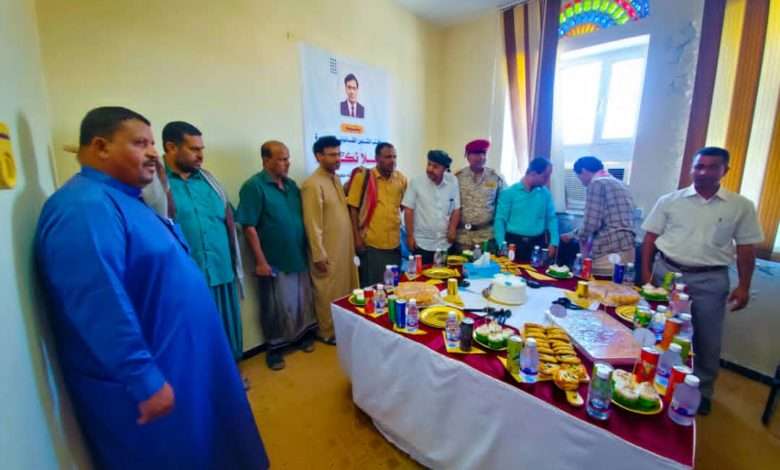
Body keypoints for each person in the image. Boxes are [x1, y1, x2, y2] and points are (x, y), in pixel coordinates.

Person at [35, 107, 268, 468]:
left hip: (185, 362)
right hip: (156, 378)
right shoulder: (84, 207)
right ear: (101, 146)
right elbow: (99, 303)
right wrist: (143, 379)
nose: (153, 153)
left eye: (152, 143)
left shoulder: (127, 199)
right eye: (140, 143)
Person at [641, 146, 763, 416]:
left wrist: (744, 285)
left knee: (707, 337)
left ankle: (702, 391)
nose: (704, 172)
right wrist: (646, 274)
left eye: (712, 167)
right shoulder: (670, 201)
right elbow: (650, 238)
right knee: (657, 328)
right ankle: (651, 378)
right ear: (691, 169)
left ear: (724, 170)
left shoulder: (740, 206)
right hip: (667, 273)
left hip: (710, 279)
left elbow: (746, 248)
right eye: (699, 166)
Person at [162, 121, 244, 361]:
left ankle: (232, 374)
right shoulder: (155, 186)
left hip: (221, 271)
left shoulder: (210, 182)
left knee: (227, 332)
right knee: (195, 337)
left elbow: (229, 219)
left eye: (202, 149)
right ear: (171, 147)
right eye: (194, 149)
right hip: (186, 278)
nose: (200, 155)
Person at [237, 140, 318, 370]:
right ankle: (274, 350)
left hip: (297, 255)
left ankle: (300, 336)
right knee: (274, 307)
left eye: (288, 158)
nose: (287, 163)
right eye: (282, 159)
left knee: (300, 301)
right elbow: (249, 227)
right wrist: (260, 261)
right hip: (273, 259)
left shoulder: (291, 186)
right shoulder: (254, 186)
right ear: (266, 160)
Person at [301, 136, 358, 344]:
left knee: (343, 290)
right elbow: (312, 223)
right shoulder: (312, 184)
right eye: (332, 155)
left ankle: (341, 328)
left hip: (343, 249)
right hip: (327, 251)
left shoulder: (335, 179)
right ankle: (327, 332)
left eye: (339, 154)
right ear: (318, 156)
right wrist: (318, 254)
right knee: (327, 291)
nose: (338, 158)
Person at [346, 142, 407, 286]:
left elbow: (403, 206)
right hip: (372, 245)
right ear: (377, 158)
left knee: (393, 286)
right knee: (373, 287)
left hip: (394, 245)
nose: (392, 161)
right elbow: (353, 209)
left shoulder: (401, 179)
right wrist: (357, 238)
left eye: (394, 157)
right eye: (388, 157)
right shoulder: (364, 178)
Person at [566, 156, 636, 276]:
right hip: (627, 249)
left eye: (579, 177)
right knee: (619, 287)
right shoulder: (620, 184)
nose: (581, 182)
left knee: (598, 286)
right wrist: (573, 234)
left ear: (583, 171)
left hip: (608, 250)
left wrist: (578, 237)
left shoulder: (597, 183)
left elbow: (591, 224)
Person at [494, 157, 559, 262]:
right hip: (513, 243)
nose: (547, 180)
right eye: (545, 176)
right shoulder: (509, 193)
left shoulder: (545, 193)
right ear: (533, 173)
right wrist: (501, 244)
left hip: (537, 244)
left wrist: (554, 242)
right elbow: (500, 220)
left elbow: (552, 218)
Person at [402, 150, 461, 264]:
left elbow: (456, 208)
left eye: (435, 166)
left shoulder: (453, 181)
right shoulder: (416, 182)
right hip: (422, 244)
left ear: (445, 169)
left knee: (445, 273)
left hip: (445, 243)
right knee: (422, 275)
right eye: (429, 164)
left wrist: (452, 228)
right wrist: (410, 236)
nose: (430, 169)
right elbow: (408, 210)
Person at [455, 139, 505, 253]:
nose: (481, 157)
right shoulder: (458, 177)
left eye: (483, 153)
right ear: (467, 156)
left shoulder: (495, 178)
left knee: (486, 264)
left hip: (486, 237)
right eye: (476, 154)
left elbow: (501, 206)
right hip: (462, 237)